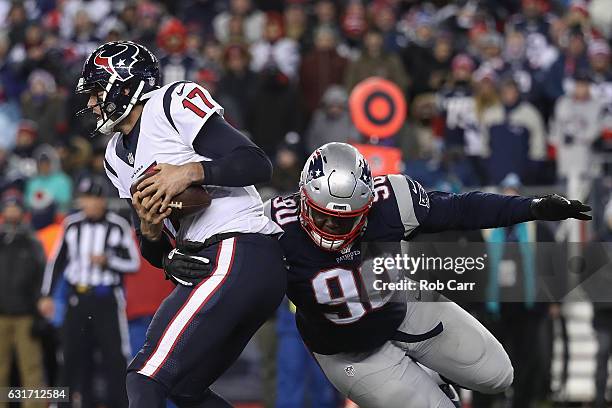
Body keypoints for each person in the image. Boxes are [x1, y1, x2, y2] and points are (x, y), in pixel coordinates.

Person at [167, 142, 591, 407]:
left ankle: (431, 372)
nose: (335, 227)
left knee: (499, 376)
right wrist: (171, 260)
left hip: (405, 307)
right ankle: (429, 385)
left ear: (368, 203)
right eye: (326, 217)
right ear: (303, 201)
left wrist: (530, 207)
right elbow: (219, 266)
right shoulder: (271, 227)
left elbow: (462, 208)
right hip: (348, 351)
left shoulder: (394, 199)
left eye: (347, 217)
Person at [75, 41, 286, 407]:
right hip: (216, 261)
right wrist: (153, 233)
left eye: (97, 91)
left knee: (144, 378)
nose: (92, 103)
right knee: (183, 390)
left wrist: (190, 172)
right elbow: (154, 250)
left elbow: (256, 163)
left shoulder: (171, 102)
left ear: (125, 84)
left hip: (239, 246)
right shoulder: (114, 157)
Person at [38, 175, 140, 407]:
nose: (91, 204)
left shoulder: (117, 225)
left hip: (106, 300)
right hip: (78, 299)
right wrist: (46, 295)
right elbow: (57, 262)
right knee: (71, 356)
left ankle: (121, 404)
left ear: (103, 200)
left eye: (95, 198)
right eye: (86, 199)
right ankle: (62, 404)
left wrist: (109, 261)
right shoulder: (71, 225)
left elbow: (133, 263)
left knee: (114, 358)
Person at [0, 190, 46, 408]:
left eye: (15, 207)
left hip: (26, 314)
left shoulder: (31, 240)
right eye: (8, 207)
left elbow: (41, 276)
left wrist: (38, 311)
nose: (11, 211)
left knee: (31, 367)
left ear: (22, 211)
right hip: (1, 313)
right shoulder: (1, 239)